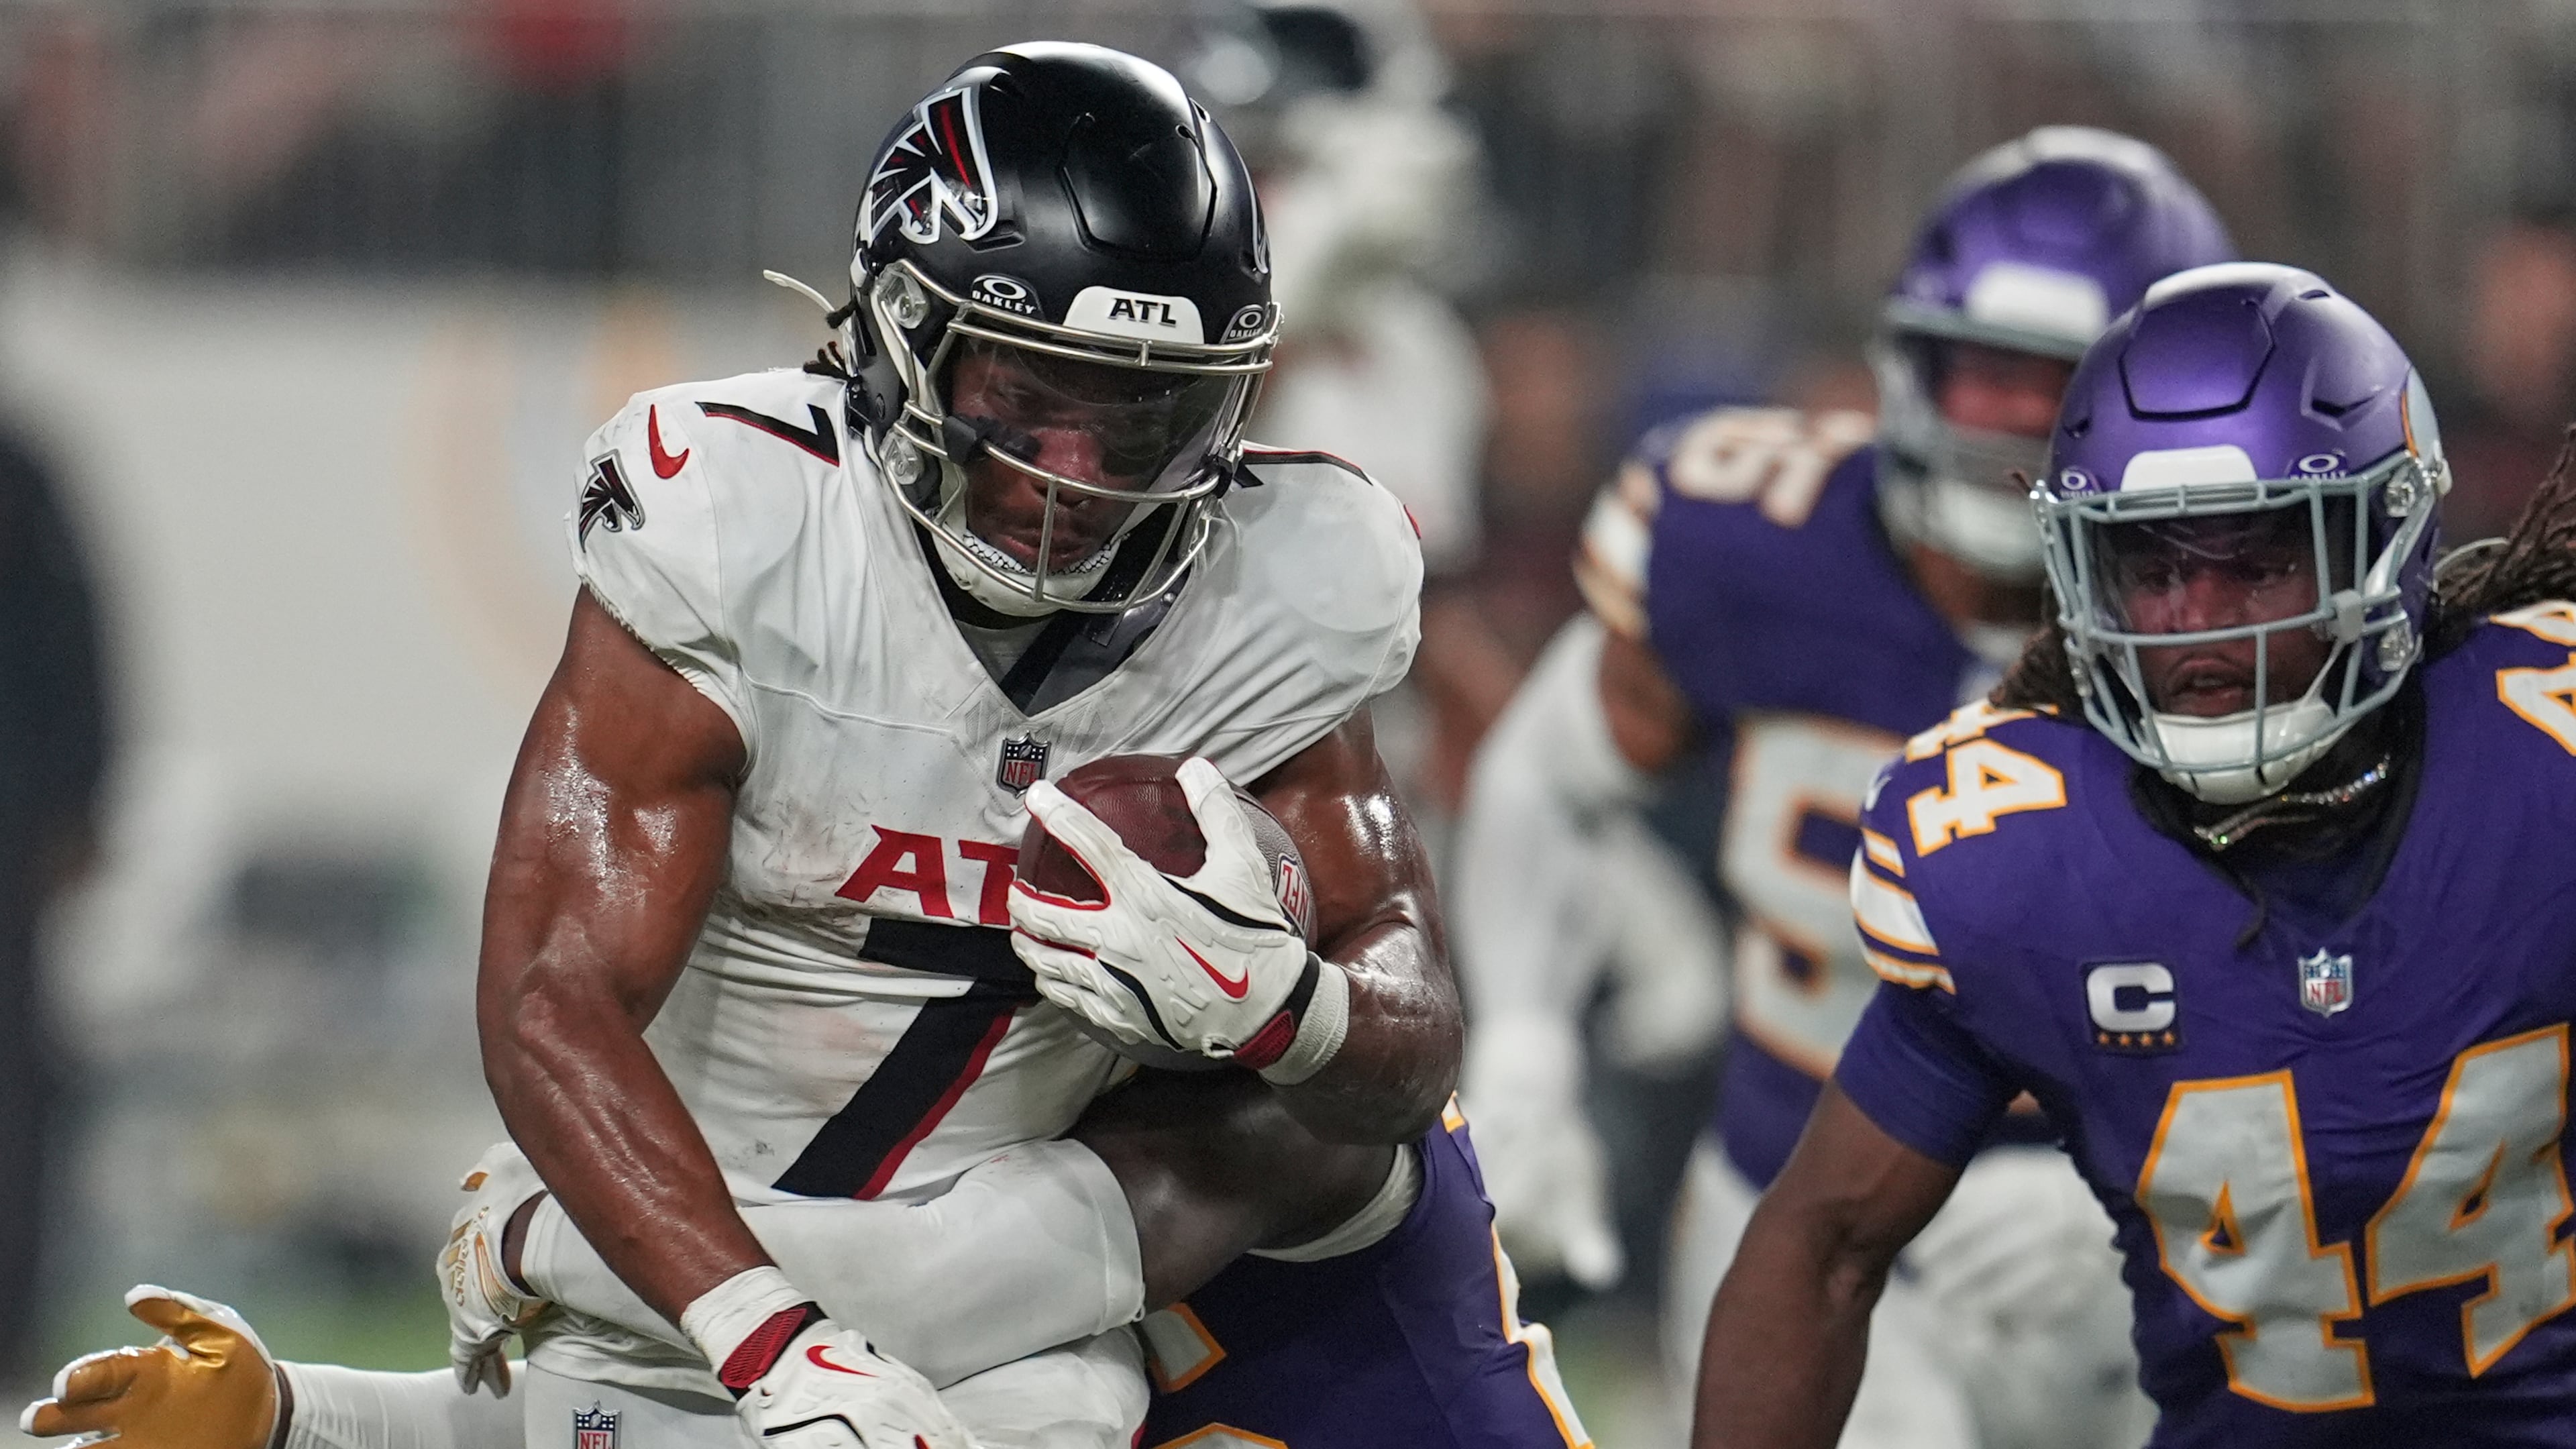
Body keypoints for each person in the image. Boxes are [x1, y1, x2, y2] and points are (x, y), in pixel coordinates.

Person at [25, 40, 1590, 1449]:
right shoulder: (742, 520)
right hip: (712, 1222)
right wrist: (771, 1342)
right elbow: (551, 994)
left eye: (1141, 419)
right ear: (900, 333)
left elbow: (1397, 1047)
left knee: (1304, 1152)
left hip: (1036, 1284)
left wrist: (1295, 1007)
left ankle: (428, 1359)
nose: (1074, 479)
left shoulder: (1287, 579)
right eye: (1026, 398)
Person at [1695, 261, 2576, 1446]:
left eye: (2258, 562)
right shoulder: (2017, 848)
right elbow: (1824, 1247)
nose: (2202, 625)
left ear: (2387, 545)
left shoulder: (2541, 767)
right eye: (2153, 569)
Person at [1450, 125, 2235, 1444]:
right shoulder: (1757, 543)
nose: (2006, 430)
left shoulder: (2232, 620)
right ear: (1906, 364)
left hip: (2141, 1237)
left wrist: (2176, 1179)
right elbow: (1546, 770)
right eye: (1979, 375)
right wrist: (1524, 1041)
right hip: (1793, 1206)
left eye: (2054, 385)